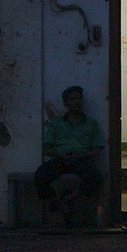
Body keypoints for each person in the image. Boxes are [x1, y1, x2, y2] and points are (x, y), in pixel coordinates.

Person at [38, 85, 105, 229]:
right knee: (40, 175)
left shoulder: (91, 124)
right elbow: (46, 148)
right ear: (65, 103)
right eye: (72, 99)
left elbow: (98, 149)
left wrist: (81, 155)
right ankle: (58, 203)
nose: (76, 102)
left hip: (81, 159)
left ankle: (71, 197)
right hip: (61, 159)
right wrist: (61, 155)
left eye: (79, 99)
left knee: (95, 178)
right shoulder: (56, 123)